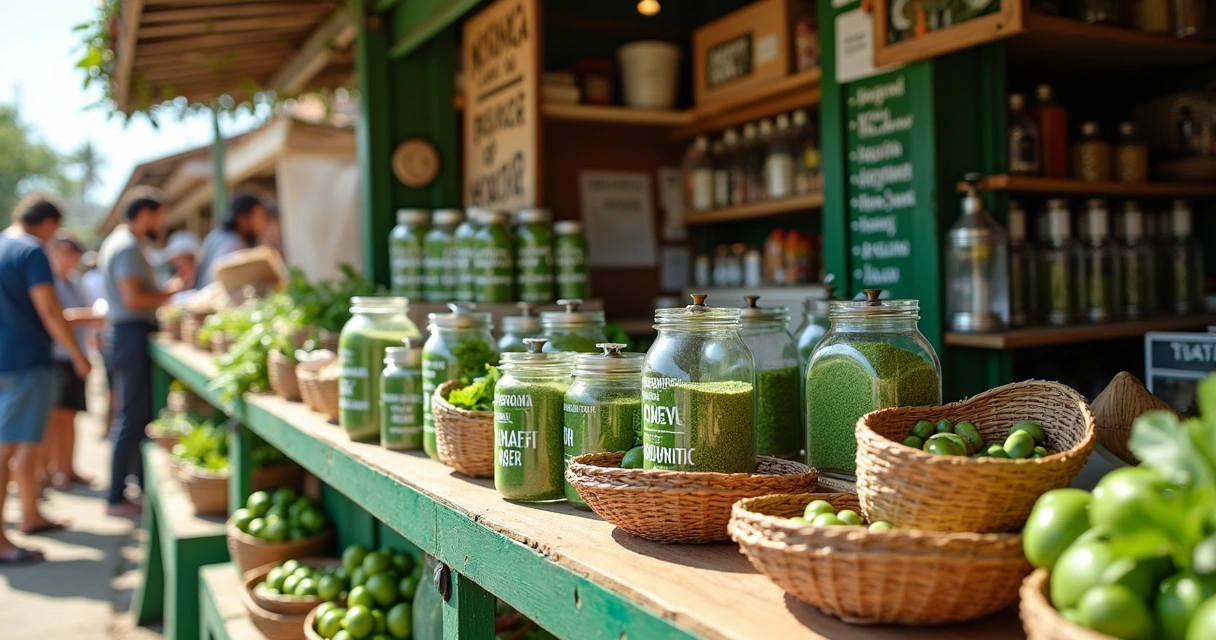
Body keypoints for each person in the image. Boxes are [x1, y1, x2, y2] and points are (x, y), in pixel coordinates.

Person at [0, 194, 91, 564]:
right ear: (50, 223)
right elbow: (50, 309)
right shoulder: (31, 251)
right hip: (26, 360)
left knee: (20, 446)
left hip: (7, 361)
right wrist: (77, 354)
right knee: (11, 448)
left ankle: (31, 515)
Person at [99, 190, 181, 516]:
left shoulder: (124, 243)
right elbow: (132, 298)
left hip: (126, 334)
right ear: (146, 214)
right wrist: (168, 292)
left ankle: (133, 486)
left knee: (136, 414)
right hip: (130, 333)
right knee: (133, 416)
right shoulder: (127, 246)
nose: (162, 223)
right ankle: (116, 496)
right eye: (159, 216)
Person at [44, 235, 98, 489]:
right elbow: (54, 317)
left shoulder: (75, 282)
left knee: (71, 416)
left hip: (75, 355)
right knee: (56, 418)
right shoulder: (48, 282)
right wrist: (86, 317)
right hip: (58, 356)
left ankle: (67, 468)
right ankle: (52, 470)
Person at [195, 193, 267, 289]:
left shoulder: (217, 235)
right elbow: (220, 284)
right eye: (259, 217)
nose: (263, 223)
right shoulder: (233, 243)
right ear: (242, 218)